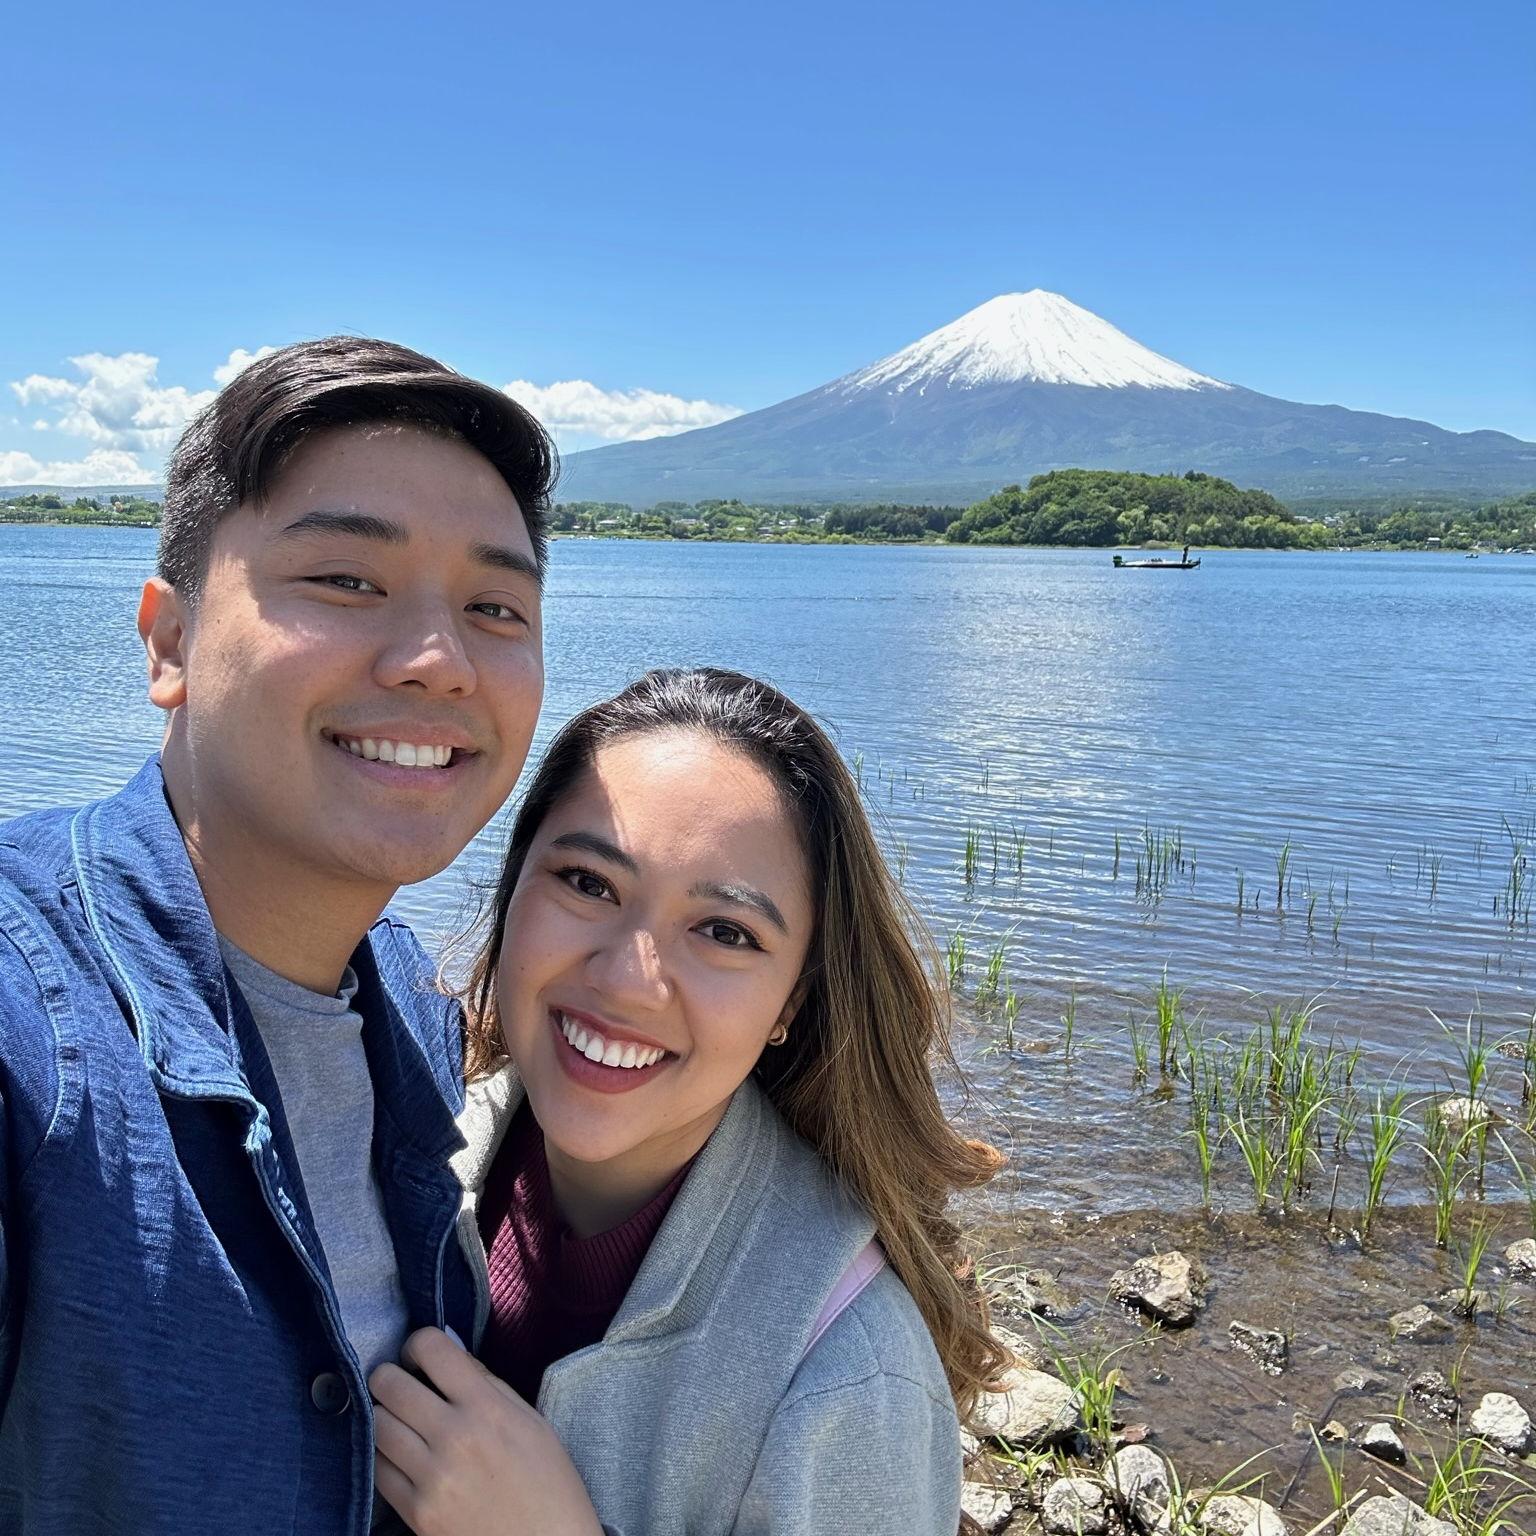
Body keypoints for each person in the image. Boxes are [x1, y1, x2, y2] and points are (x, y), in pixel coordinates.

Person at [0, 336, 556, 1534]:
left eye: (494, 606)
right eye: (347, 582)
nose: (438, 661)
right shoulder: (23, 1024)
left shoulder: (404, 998)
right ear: (167, 644)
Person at [366, 667, 1008, 1536]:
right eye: (589, 884)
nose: (629, 982)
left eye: (724, 932)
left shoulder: (847, 1374)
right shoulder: (410, 1146)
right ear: (514, 887)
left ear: (791, 1001)